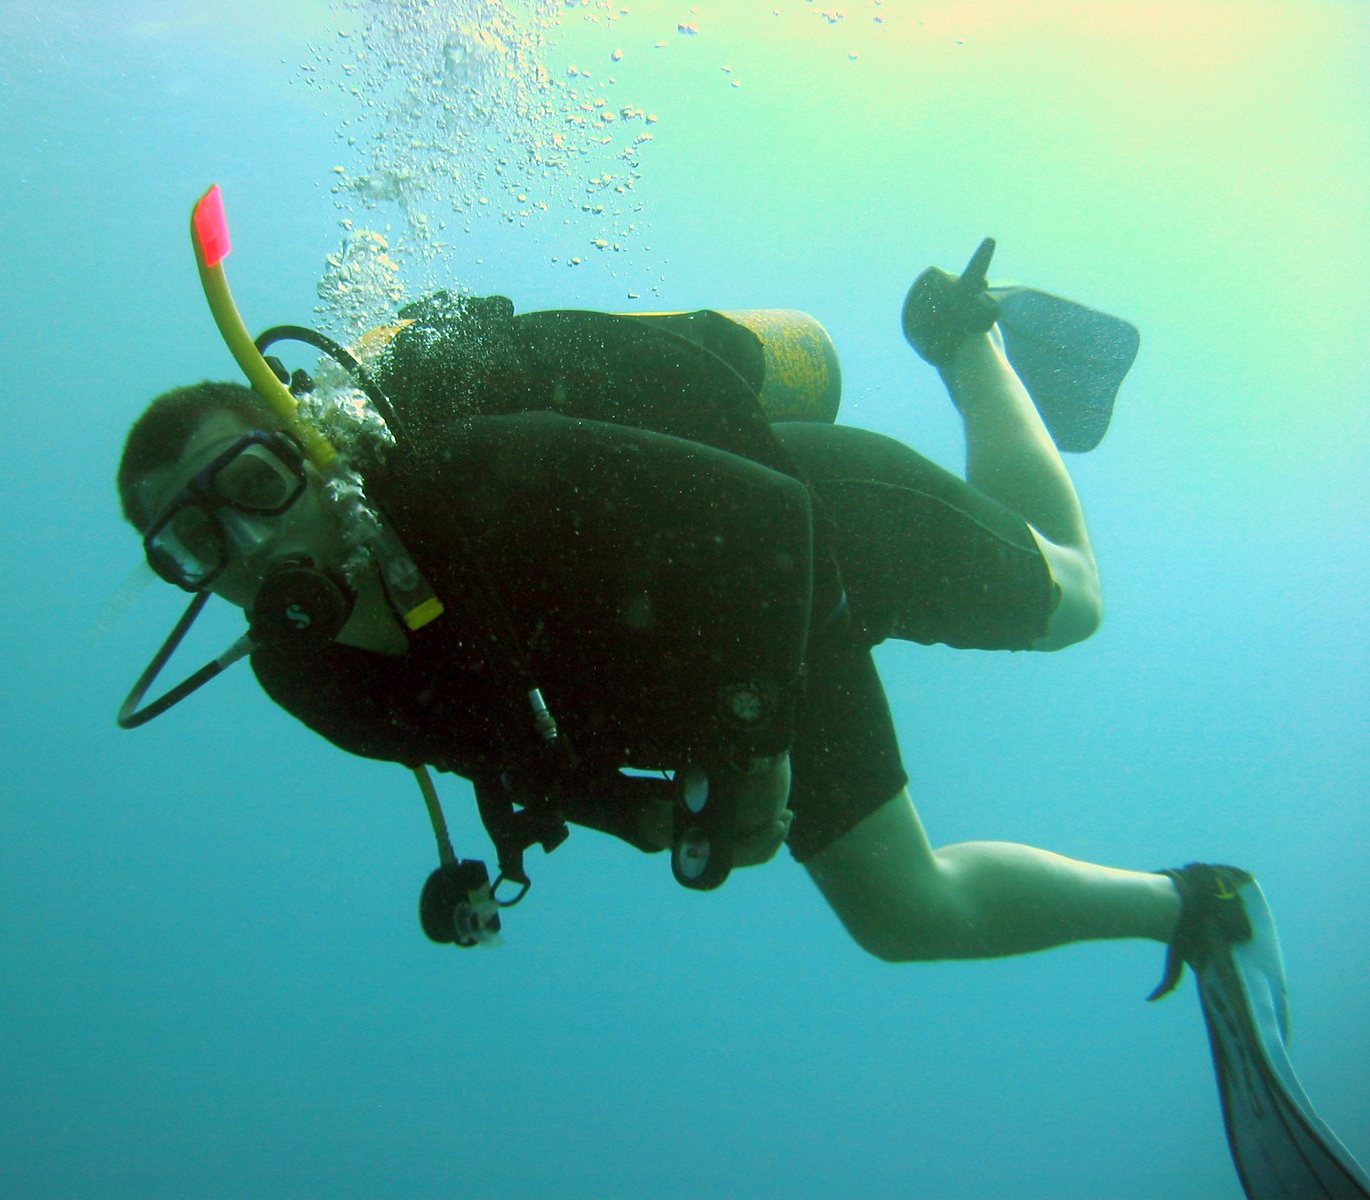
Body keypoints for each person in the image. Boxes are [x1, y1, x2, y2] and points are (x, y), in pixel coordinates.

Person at [114, 234, 1367, 1198]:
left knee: (1074, 599)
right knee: (902, 913)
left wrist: (751, 754)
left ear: (312, 457)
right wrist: (639, 809)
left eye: (255, 485)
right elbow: (505, 751)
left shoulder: (470, 470)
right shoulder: (305, 676)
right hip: (716, 669)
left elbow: (767, 524)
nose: (242, 545)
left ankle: (966, 338)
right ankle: (1201, 906)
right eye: (187, 544)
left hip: (802, 522)